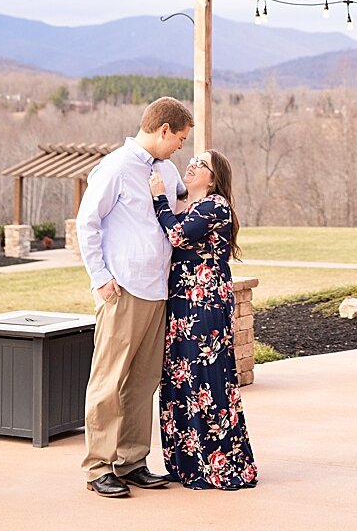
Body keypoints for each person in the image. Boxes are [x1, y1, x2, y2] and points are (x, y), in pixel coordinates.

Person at [75, 96, 193, 498]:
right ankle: (97, 468)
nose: (181, 145)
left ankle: (131, 461)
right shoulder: (115, 168)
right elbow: (86, 223)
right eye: (179, 138)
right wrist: (101, 278)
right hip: (123, 289)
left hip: (157, 290)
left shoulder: (167, 167)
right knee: (109, 381)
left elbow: (180, 200)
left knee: (143, 382)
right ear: (162, 130)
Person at [152, 149, 258, 491]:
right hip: (183, 303)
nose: (192, 165)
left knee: (206, 379)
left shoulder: (216, 206)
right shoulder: (192, 207)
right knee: (182, 378)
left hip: (205, 304)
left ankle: (219, 463)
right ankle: (187, 463)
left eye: (201, 164)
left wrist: (159, 200)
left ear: (213, 179)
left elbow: (177, 235)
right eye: (192, 160)